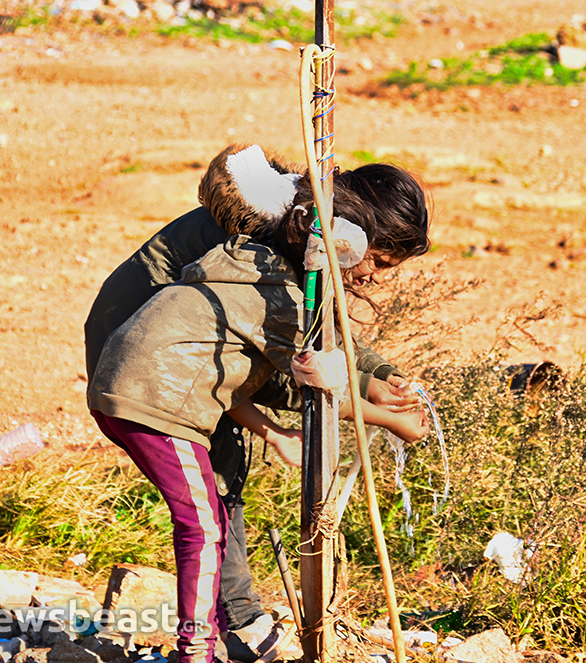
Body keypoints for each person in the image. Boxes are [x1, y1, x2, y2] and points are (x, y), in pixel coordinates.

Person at [85, 144, 431, 663]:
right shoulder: (274, 243)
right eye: (379, 262)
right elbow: (298, 346)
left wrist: (377, 375)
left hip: (189, 358)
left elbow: (308, 334)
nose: (378, 278)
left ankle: (230, 621)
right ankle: (225, 628)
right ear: (354, 235)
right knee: (210, 500)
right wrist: (383, 413)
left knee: (216, 492)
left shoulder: (307, 239)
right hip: (148, 356)